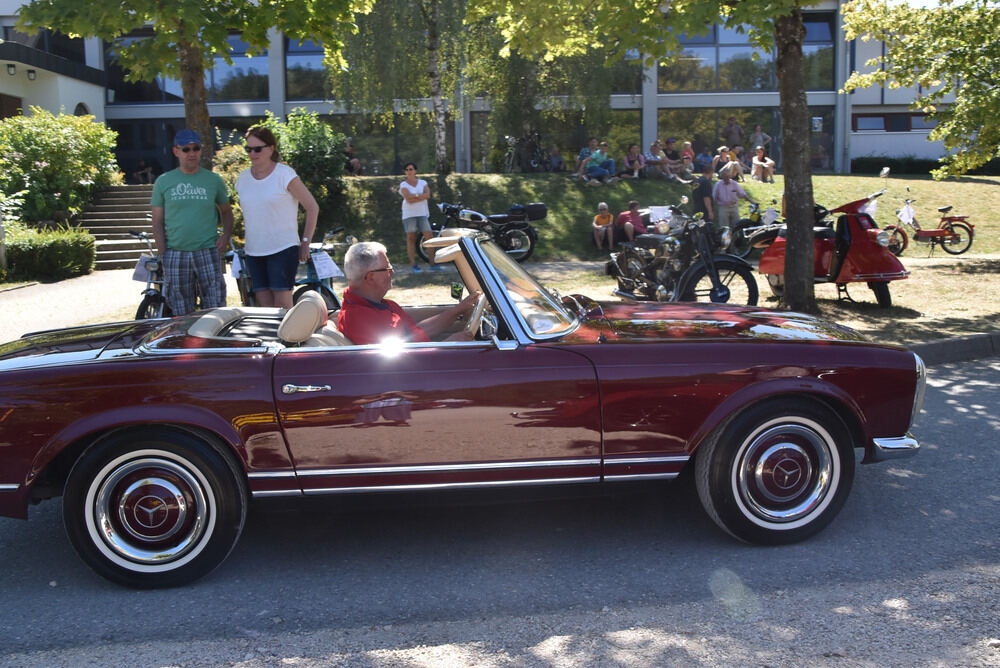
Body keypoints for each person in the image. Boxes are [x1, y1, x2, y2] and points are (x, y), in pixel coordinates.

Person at [235, 125, 320, 309]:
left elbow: (312, 207)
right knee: (264, 307)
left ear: (271, 148)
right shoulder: (243, 178)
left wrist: (305, 242)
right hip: (254, 251)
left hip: (283, 248)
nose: (252, 154)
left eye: (258, 149)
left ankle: (292, 330)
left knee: (282, 305)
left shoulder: (284, 174)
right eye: (248, 149)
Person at [151, 129, 233, 316]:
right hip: (175, 253)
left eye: (196, 148)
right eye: (186, 149)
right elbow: (157, 222)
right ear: (176, 151)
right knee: (180, 311)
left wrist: (226, 236)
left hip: (208, 251)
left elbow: (226, 211)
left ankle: (212, 336)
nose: (192, 153)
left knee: (215, 307)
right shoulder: (164, 181)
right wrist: (163, 253)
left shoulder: (213, 180)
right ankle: (185, 336)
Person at [337, 241, 480, 344]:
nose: (392, 272)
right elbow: (401, 362)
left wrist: (458, 310)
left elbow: (414, 333)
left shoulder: (380, 304)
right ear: (371, 277)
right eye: (387, 269)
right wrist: (448, 345)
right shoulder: (359, 319)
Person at [399, 162, 439, 272]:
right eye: (407, 169)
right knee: (411, 238)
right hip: (409, 214)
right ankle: (413, 265)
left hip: (422, 213)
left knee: (429, 236)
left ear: (415, 171)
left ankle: (432, 264)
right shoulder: (403, 184)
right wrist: (420, 196)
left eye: (411, 169)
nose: (409, 171)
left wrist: (414, 197)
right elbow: (408, 199)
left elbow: (427, 195)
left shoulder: (423, 182)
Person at [712, 166, 755, 234]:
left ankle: (736, 238)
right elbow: (714, 197)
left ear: (730, 176)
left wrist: (752, 202)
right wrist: (713, 209)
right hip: (723, 207)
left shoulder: (734, 184)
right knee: (724, 227)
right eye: (725, 176)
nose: (727, 178)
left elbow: (742, 194)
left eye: (728, 176)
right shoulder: (718, 185)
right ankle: (726, 239)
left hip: (734, 207)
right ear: (722, 176)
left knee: (737, 226)